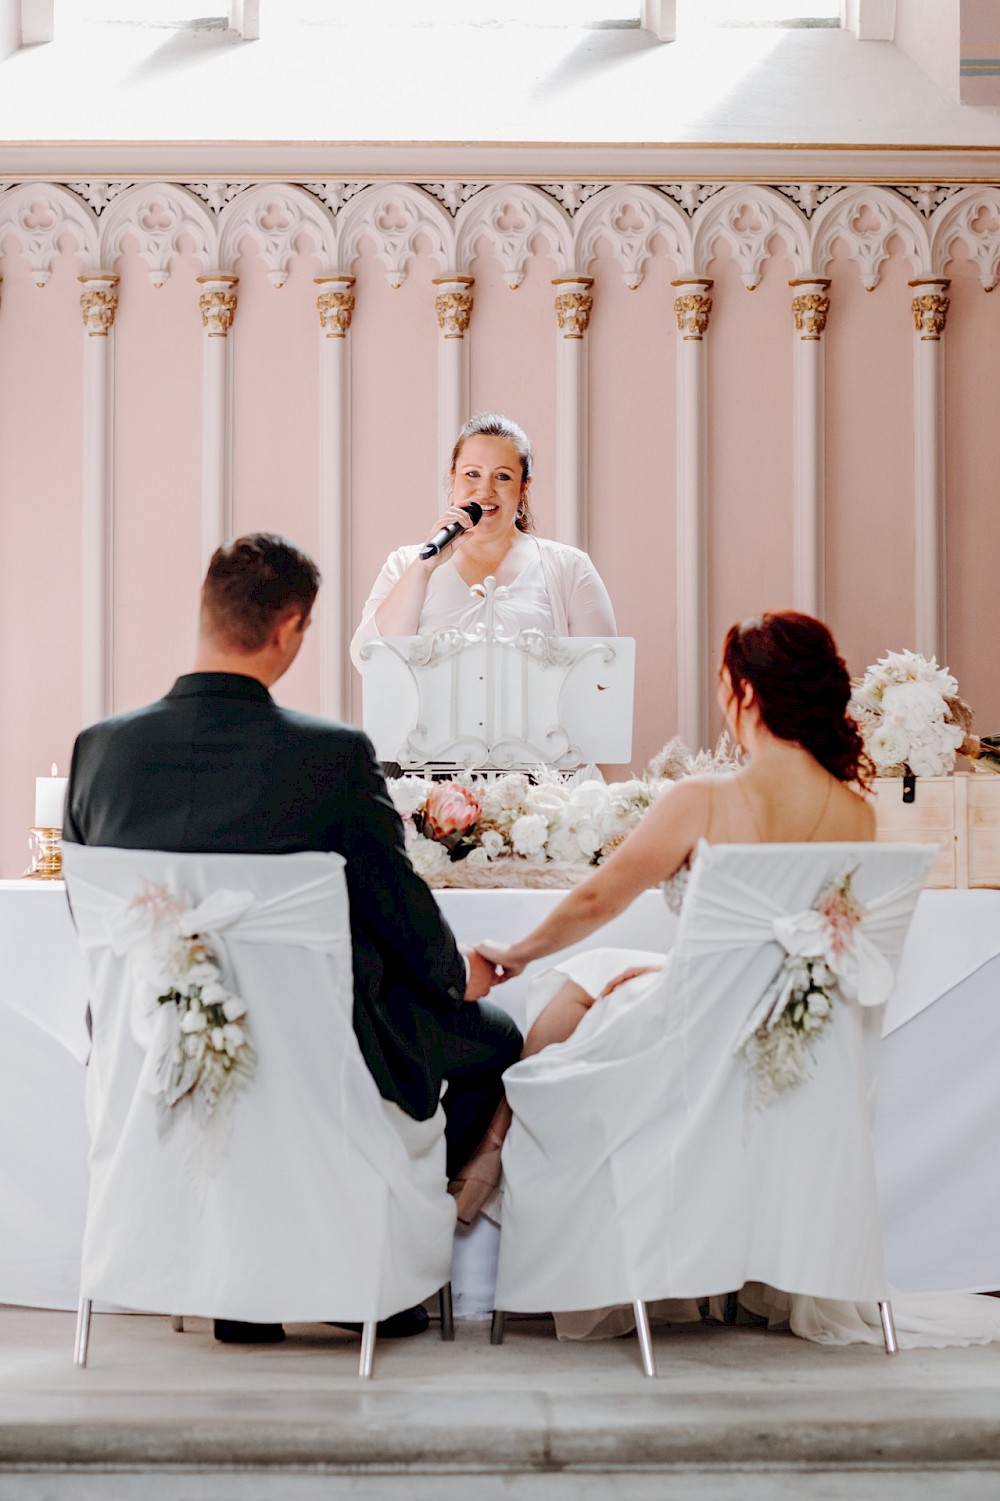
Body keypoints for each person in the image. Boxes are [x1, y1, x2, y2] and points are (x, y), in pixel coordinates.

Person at [64, 532, 522, 1344]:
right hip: (326, 1047)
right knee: (495, 1037)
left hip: (160, 1036)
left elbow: (98, 923)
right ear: (288, 630)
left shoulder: (101, 752)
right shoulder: (331, 757)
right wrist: (458, 979)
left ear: (205, 613)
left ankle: (246, 1292)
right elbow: (403, 915)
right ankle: (364, 1275)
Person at [450, 611, 875, 1225]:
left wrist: (517, 953)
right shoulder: (857, 813)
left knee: (572, 990)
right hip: (793, 1025)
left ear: (747, 692)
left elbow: (600, 898)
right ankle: (491, 1152)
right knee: (603, 972)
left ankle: (488, 1157)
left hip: (703, 1025)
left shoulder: (704, 799)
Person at [350, 412, 616, 668]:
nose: (485, 490)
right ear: (453, 476)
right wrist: (423, 568)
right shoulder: (405, 563)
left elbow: (602, 676)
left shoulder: (570, 567)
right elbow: (370, 660)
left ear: (524, 486)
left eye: (502, 476)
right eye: (472, 474)